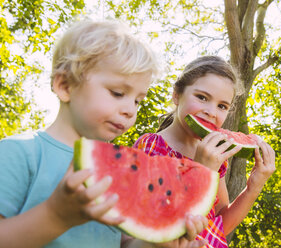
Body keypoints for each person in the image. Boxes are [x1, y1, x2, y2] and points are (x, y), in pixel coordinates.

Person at [0, 20, 208, 248]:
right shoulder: (18, 152)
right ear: (65, 86)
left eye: (137, 101)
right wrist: (55, 216)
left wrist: (157, 243)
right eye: (118, 93)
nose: (130, 110)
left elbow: (125, 244)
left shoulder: (122, 169)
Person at [134, 56, 276, 248]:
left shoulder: (216, 156)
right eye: (202, 97)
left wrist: (253, 186)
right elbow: (149, 224)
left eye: (222, 106)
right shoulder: (150, 147)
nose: (211, 112)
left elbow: (220, 225)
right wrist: (201, 171)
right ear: (176, 95)